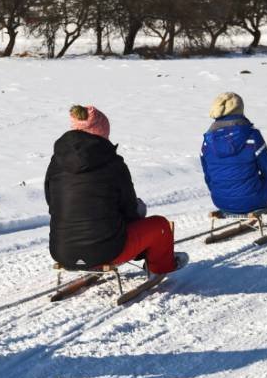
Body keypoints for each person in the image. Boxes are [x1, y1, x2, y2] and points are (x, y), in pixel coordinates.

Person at [46, 105, 188, 276]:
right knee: (160, 225)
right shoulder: (112, 162)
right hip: (106, 250)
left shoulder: (56, 163)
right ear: (102, 132)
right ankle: (162, 267)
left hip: (62, 252)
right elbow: (129, 208)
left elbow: (52, 203)